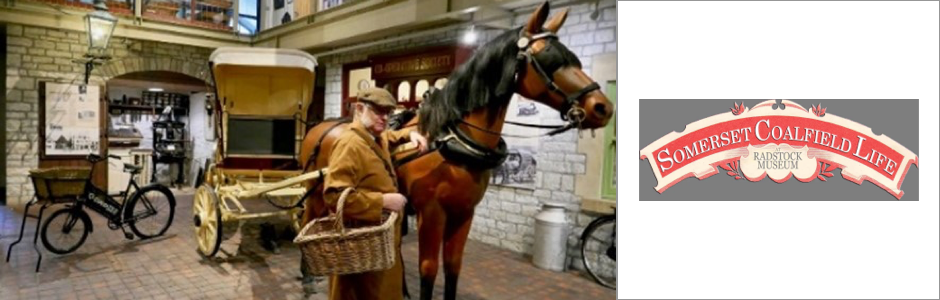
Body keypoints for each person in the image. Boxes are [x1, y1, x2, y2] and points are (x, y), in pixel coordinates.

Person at [311, 87, 427, 300]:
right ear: (360, 108)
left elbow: (388, 137)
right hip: (361, 243)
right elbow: (334, 197)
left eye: (388, 113)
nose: (384, 118)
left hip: (377, 243)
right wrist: (383, 200)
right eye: (378, 111)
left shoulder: (373, 136)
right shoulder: (349, 144)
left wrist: (409, 134)